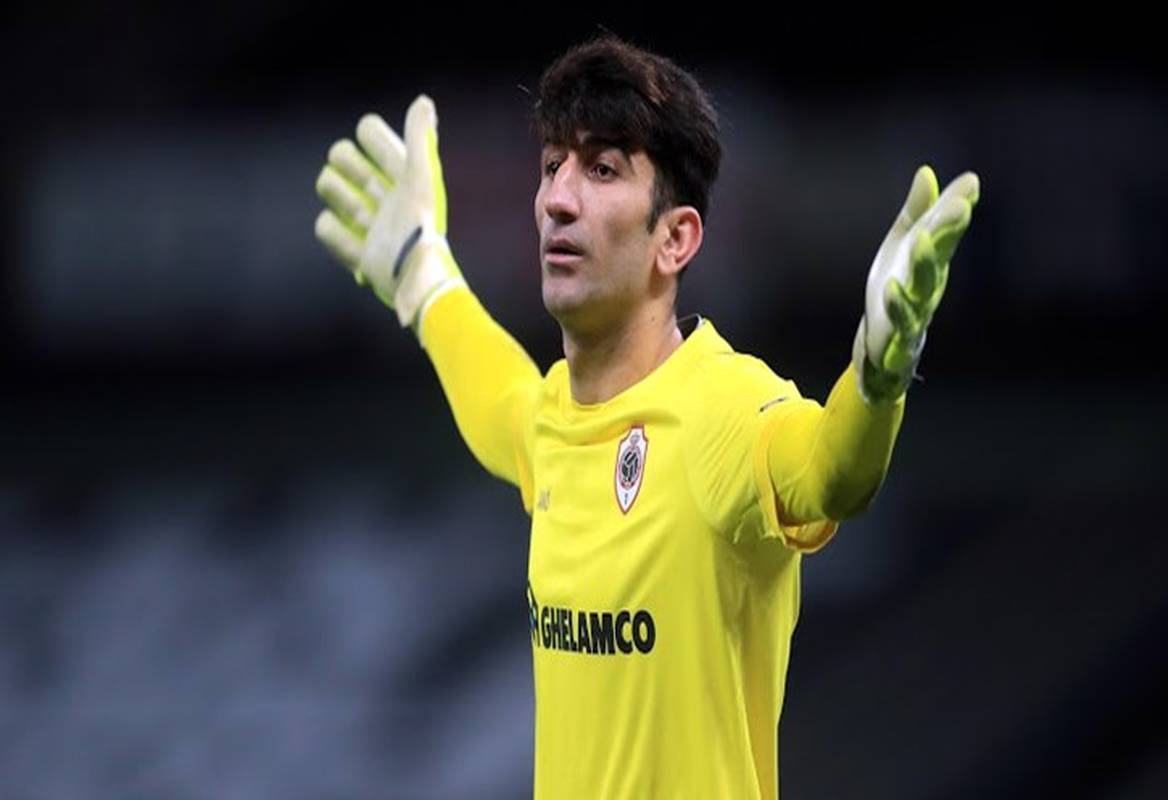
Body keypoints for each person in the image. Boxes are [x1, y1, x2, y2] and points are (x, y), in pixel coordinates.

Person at [313, 34, 979, 800]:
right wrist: (420, 272)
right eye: (552, 165)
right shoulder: (556, 422)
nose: (559, 198)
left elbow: (832, 473)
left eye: (602, 169)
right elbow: (499, 397)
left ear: (676, 239)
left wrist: (877, 378)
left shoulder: (724, 411)